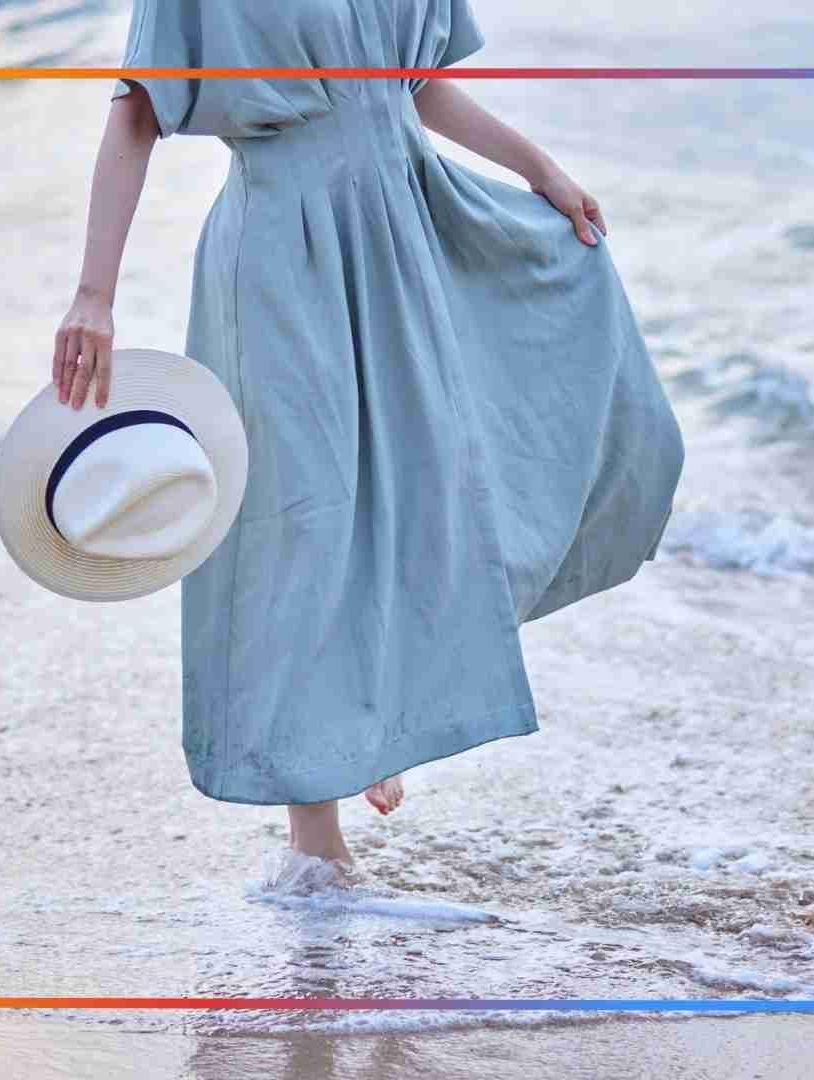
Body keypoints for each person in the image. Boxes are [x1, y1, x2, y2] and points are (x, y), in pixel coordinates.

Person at [52, 0, 683, 872]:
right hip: (285, 251)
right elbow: (137, 112)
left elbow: (412, 89)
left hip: (408, 226)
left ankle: (366, 710)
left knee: (429, 487)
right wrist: (94, 295)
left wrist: (543, 172)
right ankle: (316, 834)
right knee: (300, 521)